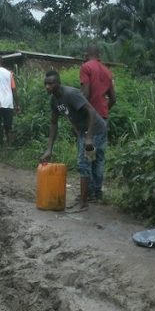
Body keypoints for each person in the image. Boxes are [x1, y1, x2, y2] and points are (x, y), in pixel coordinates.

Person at [40, 69, 107, 211]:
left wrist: (89, 137)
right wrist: (49, 149)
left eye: (51, 84)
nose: (47, 87)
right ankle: (92, 194)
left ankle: (83, 202)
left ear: (58, 83)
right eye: (46, 84)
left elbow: (91, 111)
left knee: (85, 163)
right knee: (90, 160)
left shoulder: (71, 94)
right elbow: (53, 123)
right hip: (83, 131)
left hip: (96, 130)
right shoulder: (54, 100)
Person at [79, 43, 116, 138]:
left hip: (88, 117)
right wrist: (102, 112)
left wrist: (77, 113)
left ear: (86, 55)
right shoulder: (107, 71)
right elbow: (113, 99)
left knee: (84, 146)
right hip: (103, 117)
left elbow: (85, 94)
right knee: (100, 147)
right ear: (99, 56)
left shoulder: (86, 67)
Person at [0, 53, 18, 147]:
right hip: (8, 102)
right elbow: (14, 89)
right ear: (2, 61)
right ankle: (10, 146)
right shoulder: (9, 73)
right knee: (8, 126)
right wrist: (17, 104)